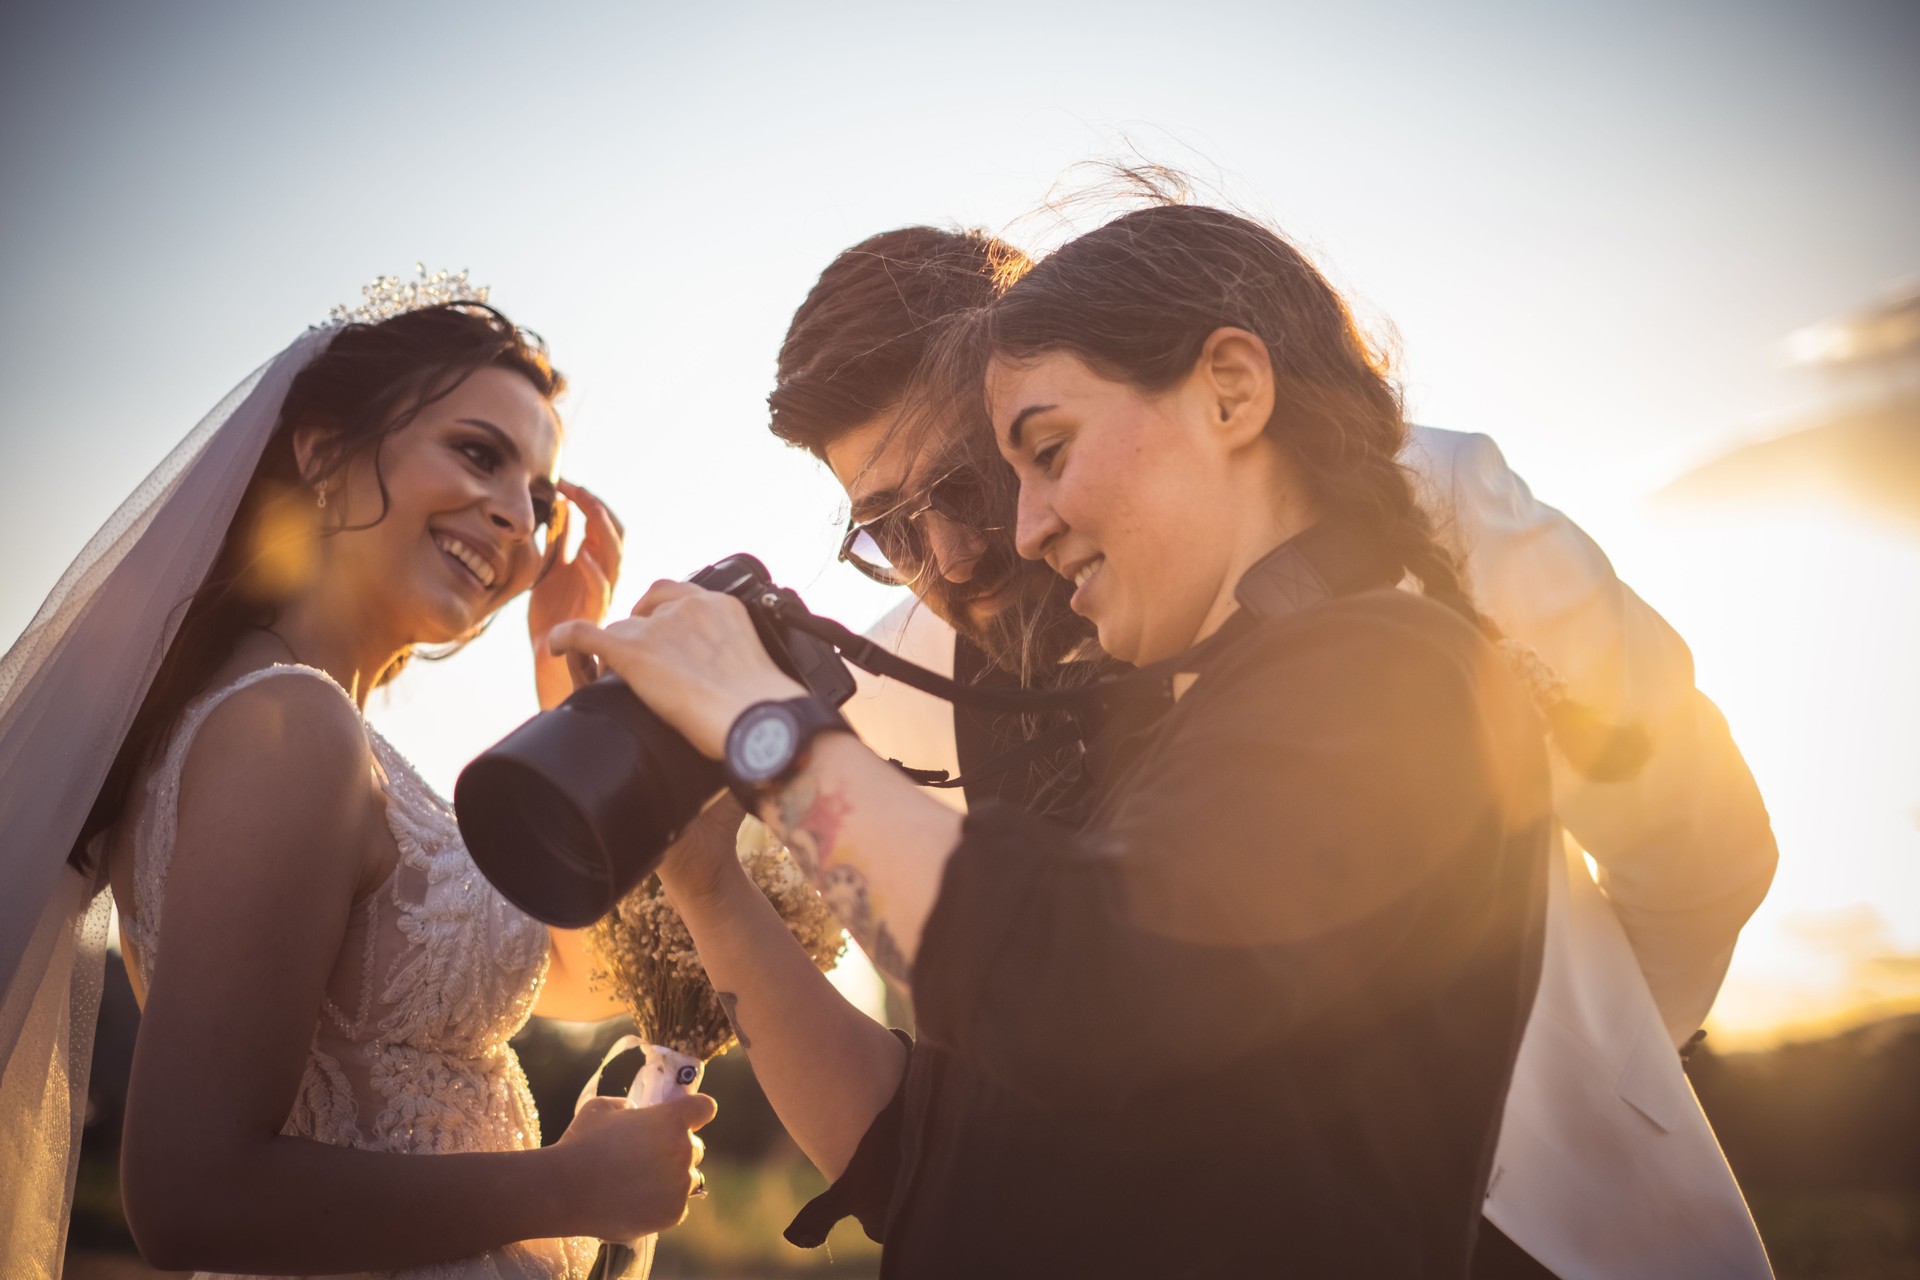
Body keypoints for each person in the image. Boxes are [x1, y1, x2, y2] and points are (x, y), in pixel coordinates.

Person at [553, 203, 1557, 1275]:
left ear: (1232, 391)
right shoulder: (1051, 708)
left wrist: (768, 732)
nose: (985, 542)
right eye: (889, 527)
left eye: (1027, 457)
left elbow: (1078, 981)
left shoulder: (1386, 671)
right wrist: (708, 882)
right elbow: (927, 1151)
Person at [764, 221, 1778, 1279]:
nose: (968, 553)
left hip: (1556, 1233)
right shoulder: (897, 674)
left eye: (987, 476)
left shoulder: (1423, 504)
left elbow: (1696, 833)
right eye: (889, 529)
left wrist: (1570, 1063)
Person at [0, 288, 712, 1280]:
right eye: (478, 453)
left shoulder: (312, 730)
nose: (518, 514)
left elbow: (579, 980)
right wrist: (569, 1184)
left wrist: (565, 682)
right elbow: (189, 1194)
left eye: (542, 496)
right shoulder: (287, 728)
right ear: (324, 454)